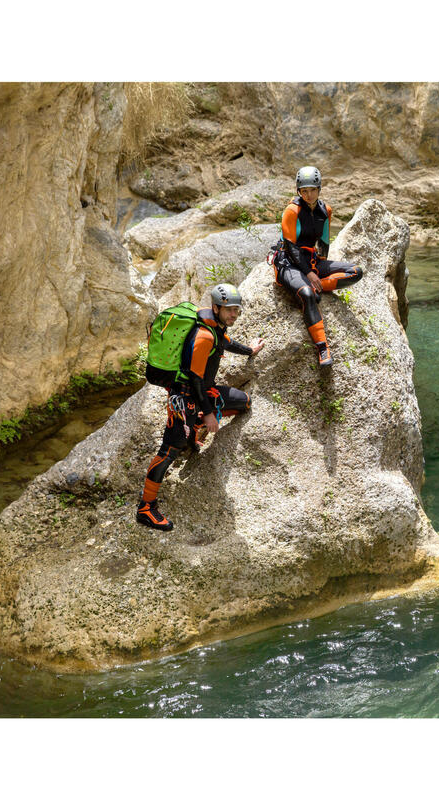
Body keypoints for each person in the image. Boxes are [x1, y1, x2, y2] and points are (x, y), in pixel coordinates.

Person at [136, 283, 265, 531]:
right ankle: (146, 507)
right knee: (170, 450)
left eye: (236, 310)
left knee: (243, 402)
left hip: (203, 393)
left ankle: (193, 428)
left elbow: (226, 343)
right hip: (184, 397)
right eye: (229, 310)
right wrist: (207, 414)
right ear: (215, 307)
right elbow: (195, 378)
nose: (234, 314)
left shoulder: (216, 328)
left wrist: (250, 349)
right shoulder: (204, 335)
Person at [271, 165, 363, 367]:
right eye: (304, 190)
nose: (309, 194)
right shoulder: (292, 211)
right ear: (298, 191)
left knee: (356, 272)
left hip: (311, 260)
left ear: (319, 189)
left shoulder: (325, 210)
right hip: (288, 261)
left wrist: (320, 267)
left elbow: (323, 244)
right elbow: (292, 248)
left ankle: (318, 283)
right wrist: (310, 274)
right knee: (307, 294)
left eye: (312, 189)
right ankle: (323, 348)